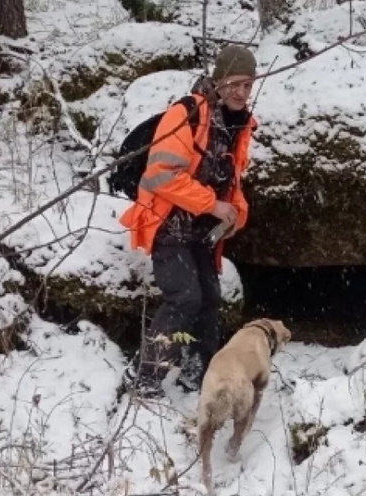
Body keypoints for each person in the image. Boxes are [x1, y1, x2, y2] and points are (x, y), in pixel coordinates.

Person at [118, 45, 259, 397]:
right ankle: (143, 376)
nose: (242, 92)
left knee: (210, 300)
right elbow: (161, 175)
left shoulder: (238, 124)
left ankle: (196, 375)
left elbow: (233, 184)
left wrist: (235, 214)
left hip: (201, 233)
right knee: (184, 299)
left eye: (248, 85)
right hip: (168, 226)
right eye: (235, 83)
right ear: (219, 80)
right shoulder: (187, 114)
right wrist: (212, 205)